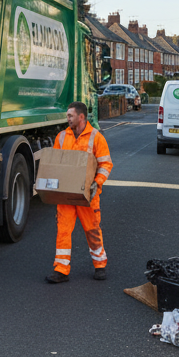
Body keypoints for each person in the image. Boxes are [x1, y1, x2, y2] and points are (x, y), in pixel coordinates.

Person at [46, 101, 112, 283]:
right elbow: (55, 163)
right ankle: (61, 269)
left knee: (92, 230)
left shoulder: (96, 137)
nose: (67, 119)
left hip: (88, 195)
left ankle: (100, 266)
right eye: (67, 116)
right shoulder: (61, 137)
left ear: (81, 117)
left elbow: (106, 164)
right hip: (66, 194)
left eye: (70, 116)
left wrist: (97, 183)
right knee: (63, 231)